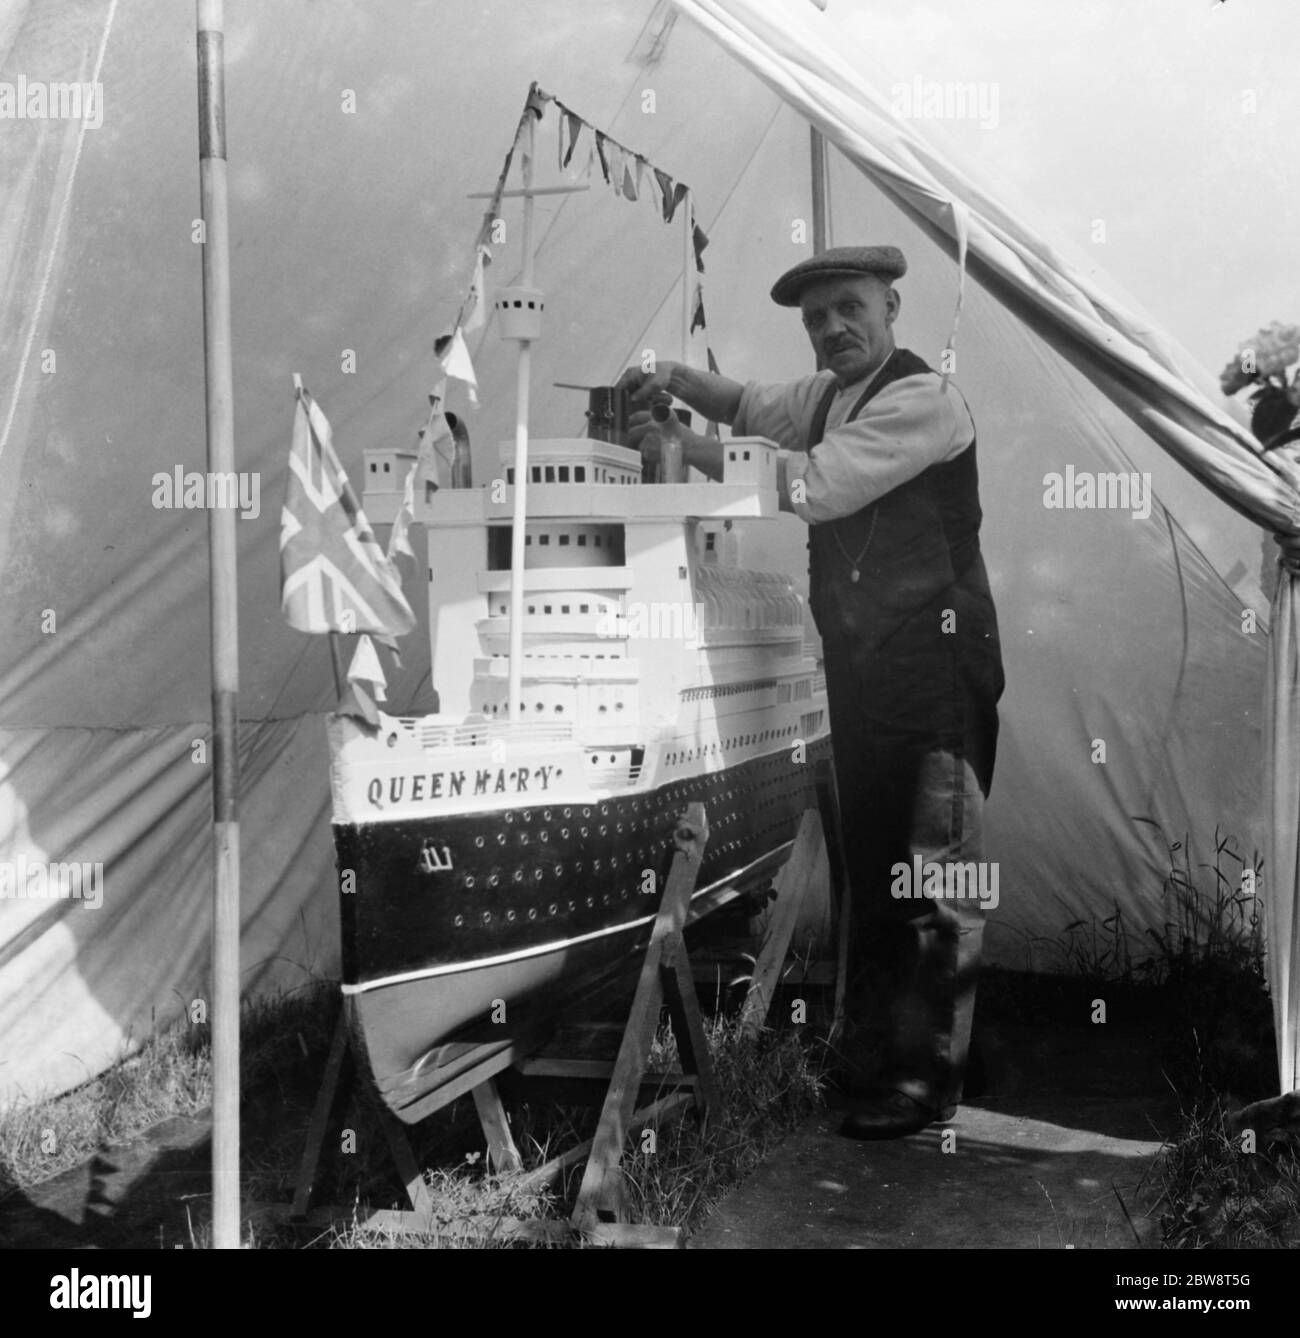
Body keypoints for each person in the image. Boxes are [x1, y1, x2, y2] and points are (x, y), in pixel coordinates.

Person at [616, 245, 1005, 1139]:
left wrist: (679, 448)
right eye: (816, 317)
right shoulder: (830, 395)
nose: (833, 328)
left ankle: (924, 1081)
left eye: (849, 308)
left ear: (891, 305)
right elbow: (754, 404)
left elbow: (814, 486)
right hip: (865, 669)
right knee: (874, 871)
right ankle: (882, 1062)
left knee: (935, 872)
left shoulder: (924, 400)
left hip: (939, 669)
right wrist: (674, 376)